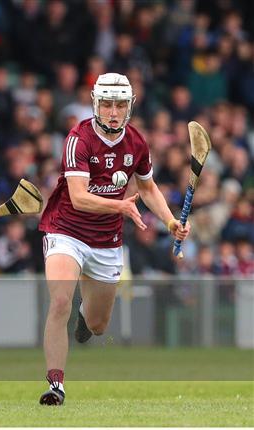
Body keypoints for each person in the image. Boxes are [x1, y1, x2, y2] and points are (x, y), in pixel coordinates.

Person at [37, 73, 191, 406]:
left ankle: (85, 313)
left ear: (129, 107)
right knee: (59, 300)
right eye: (106, 104)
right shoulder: (78, 139)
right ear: (96, 104)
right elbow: (78, 197)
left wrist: (169, 221)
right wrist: (119, 205)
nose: (113, 111)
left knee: (98, 325)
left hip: (106, 240)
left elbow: (148, 189)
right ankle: (55, 384)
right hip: (66, 229)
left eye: (120, 104)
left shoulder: (136, 142)